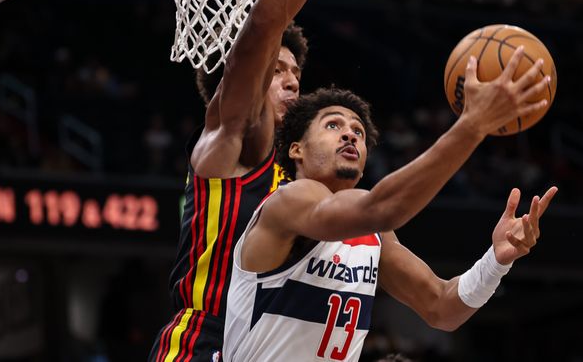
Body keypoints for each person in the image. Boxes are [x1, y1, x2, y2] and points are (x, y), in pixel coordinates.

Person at [148, 0, 407, 361]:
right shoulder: (231, 141)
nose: (293, 79)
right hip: (201, 348)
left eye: (296, 71)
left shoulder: (306, 177)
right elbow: (265, 23)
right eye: (278, 70)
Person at [223, 50, 558, 362]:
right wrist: (473, 125)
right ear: (296, 149)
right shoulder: (287, 202)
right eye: (333, 125)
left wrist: (497, 261)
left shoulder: (374, 234)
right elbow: (381, 208)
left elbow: (442, 308)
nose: (350, 135)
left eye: (358, 131)